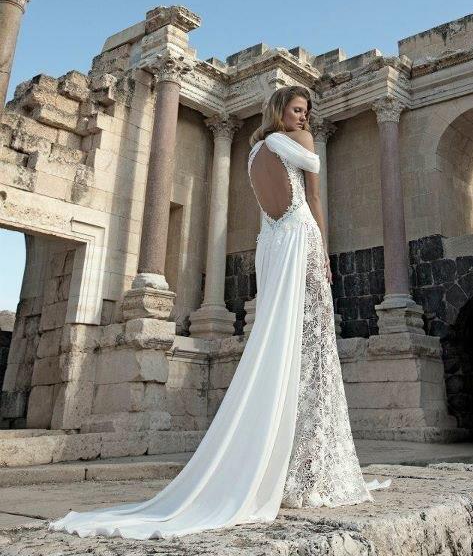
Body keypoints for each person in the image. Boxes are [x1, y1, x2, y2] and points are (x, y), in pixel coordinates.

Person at [49, 85, 389, 541]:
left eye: (306, 112)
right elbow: (313, 199)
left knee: (278, 341)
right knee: (312, 345)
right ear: (280, 110)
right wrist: (323, 251)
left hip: (270, 245)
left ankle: (285, 462)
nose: (305, 118)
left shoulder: (254, 152)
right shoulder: (300, 142)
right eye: (297, 109)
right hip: (299, 239)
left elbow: (267, 209)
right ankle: (308, 467)